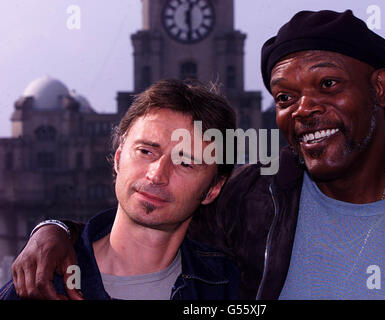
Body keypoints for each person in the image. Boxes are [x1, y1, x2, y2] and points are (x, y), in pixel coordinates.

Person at [8, 10, 385, 300]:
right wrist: (55, 230)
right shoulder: (251, 196)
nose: (305, 109)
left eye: (328, 84)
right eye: (284, 96)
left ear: (379, 88)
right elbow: (150, 214)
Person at [0, 79, 239, 300]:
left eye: (185, 163)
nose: (156, 175)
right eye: (146, 151)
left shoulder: (230, 287)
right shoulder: (38, 287)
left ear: (213, 189)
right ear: (117, 157)